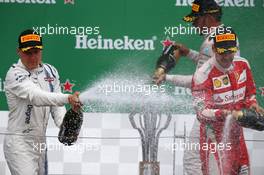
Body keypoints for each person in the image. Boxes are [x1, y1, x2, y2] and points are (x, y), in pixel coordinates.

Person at [154, 0, 242, 174]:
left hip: (213, 110)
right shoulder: (222, 36)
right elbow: (211, 66)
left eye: (196, 19)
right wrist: (188, 53)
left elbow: (199, 81)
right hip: (222, 107)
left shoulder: (212, 42)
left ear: (207, 17)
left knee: (193, 160)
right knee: (214, 162)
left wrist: (166, 77)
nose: (193, 24)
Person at [4, 29, 81, 175]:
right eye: (28, 52)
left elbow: (57, 106)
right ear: (19, 52)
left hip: (40, 142)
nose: (33, 57)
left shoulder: (50, 71)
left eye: (37, 51)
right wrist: (68, 97)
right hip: (19, 144)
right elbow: (37, 97)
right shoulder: (14, 74)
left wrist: (65, 126)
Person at [192, 27, 263, 174]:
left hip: (237, 136)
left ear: (236, 49)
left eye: (230, 51)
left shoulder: (243, 64)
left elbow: (249, 94)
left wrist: (253, 104)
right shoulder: (202, 74)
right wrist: (225, 113)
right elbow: (201, 112)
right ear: (213, 48)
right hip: (213, 137)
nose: (226, 57)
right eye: (222, 52)